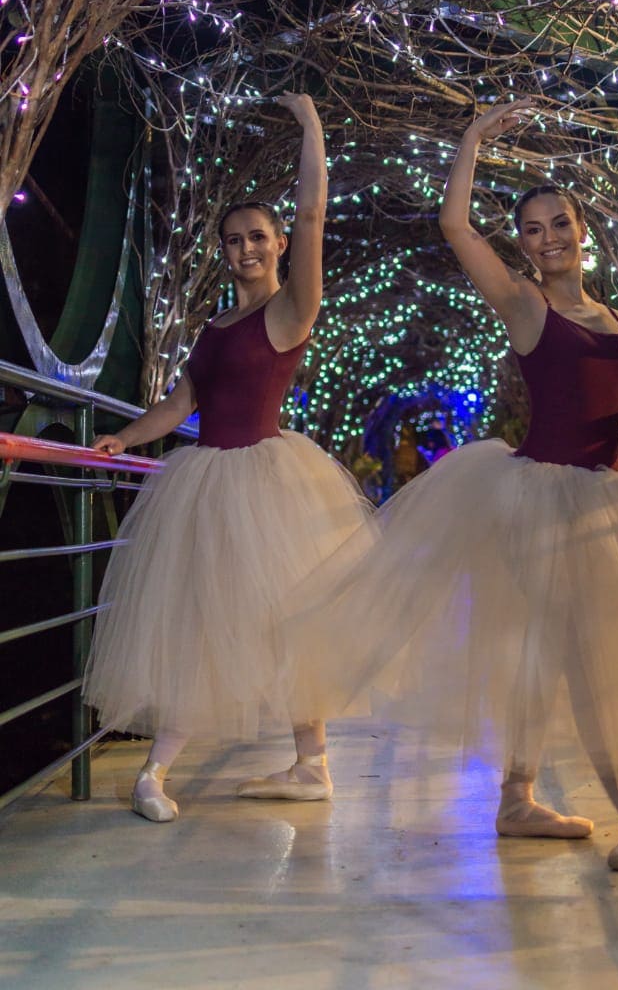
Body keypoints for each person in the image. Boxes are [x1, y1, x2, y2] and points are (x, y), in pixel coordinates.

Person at [282, 96, 618, 872]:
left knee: (586, 653)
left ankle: (579, 803)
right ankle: (570, 804)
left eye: (559, 224)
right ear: (526, 248)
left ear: (581, 232)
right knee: (556, 653)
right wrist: (471, 136)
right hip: (537, 498)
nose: (548, 239)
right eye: (533, 230)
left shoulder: (616, 321)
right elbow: (454, 227)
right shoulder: (523, 304)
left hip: (609, 496)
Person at [83, 93, 372, 822]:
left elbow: (311, 217)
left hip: (266, 483)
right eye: (232, 240)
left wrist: (311, 127)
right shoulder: (216, 326)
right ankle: (159, 771)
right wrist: (123, 439)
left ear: (276, 245)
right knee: (205, 626)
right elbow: (180, 406)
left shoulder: (289, 309)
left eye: (255, 237)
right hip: (207, 479)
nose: (243, 249)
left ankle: (308, 765)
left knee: (284, 624)